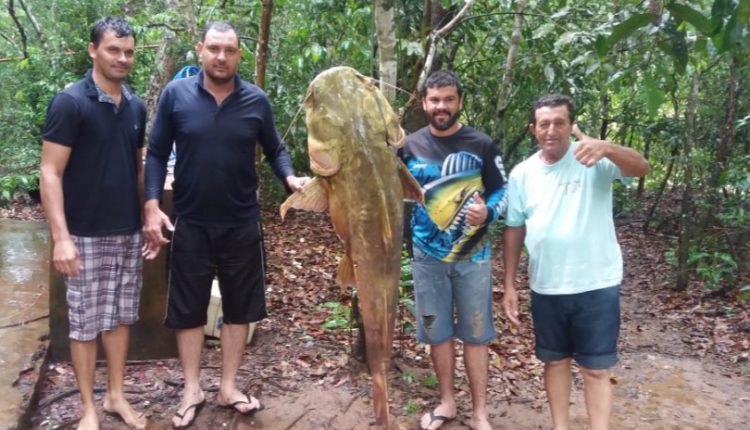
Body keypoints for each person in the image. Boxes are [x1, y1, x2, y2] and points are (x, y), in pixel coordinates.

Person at [142, 21, 309, 429]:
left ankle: (228, 387)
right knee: (188, 309)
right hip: (190, 220)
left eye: (229, 50)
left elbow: (275, 148)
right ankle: (192, 389)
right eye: (214, 48)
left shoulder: (256, 100)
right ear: (200, 49)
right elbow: (157, 152)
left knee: (240, 307)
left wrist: (289, 177)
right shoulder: (176, 95)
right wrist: (151, 205)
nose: (221, 57)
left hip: (241, 221)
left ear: (239, 55)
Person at [502, 94, 650, 430]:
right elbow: (514, 228)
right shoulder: (523, 173)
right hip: (546, 284)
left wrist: (607, 147)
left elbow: (641, 168)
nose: (551, 130)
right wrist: (509, 285)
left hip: (595, 283)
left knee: (596, 368)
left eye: (559, 123)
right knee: (554, 362)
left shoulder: (593, 158)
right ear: (533, 129)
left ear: (571, 126)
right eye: (544, 124)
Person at [39, 16, 149, 430]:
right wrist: (61, 238)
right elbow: (50, 172)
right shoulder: (70, 103)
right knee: (84, 323)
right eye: (113, 50)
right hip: (83, 233)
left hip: (127, 230)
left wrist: (148, 216)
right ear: (93, 50)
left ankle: (115, 395)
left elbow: (137, 168)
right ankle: (88, 407)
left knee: (120, 318)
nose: (122, 58)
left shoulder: (136, 105)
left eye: (129, 52)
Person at [401, 70, 508, 430]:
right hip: (426, 258)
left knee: (476, 334)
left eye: (448, 99)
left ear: (459, 102)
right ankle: (446, 402)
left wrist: (487, 212)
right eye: (434, 99)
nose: (441, 106)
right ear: (424, 103)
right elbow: (389, 187)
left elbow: (502, 189)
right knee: (437, 331)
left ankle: (479, 413)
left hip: (472, 258)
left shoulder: (481, 144)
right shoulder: (408, 145)